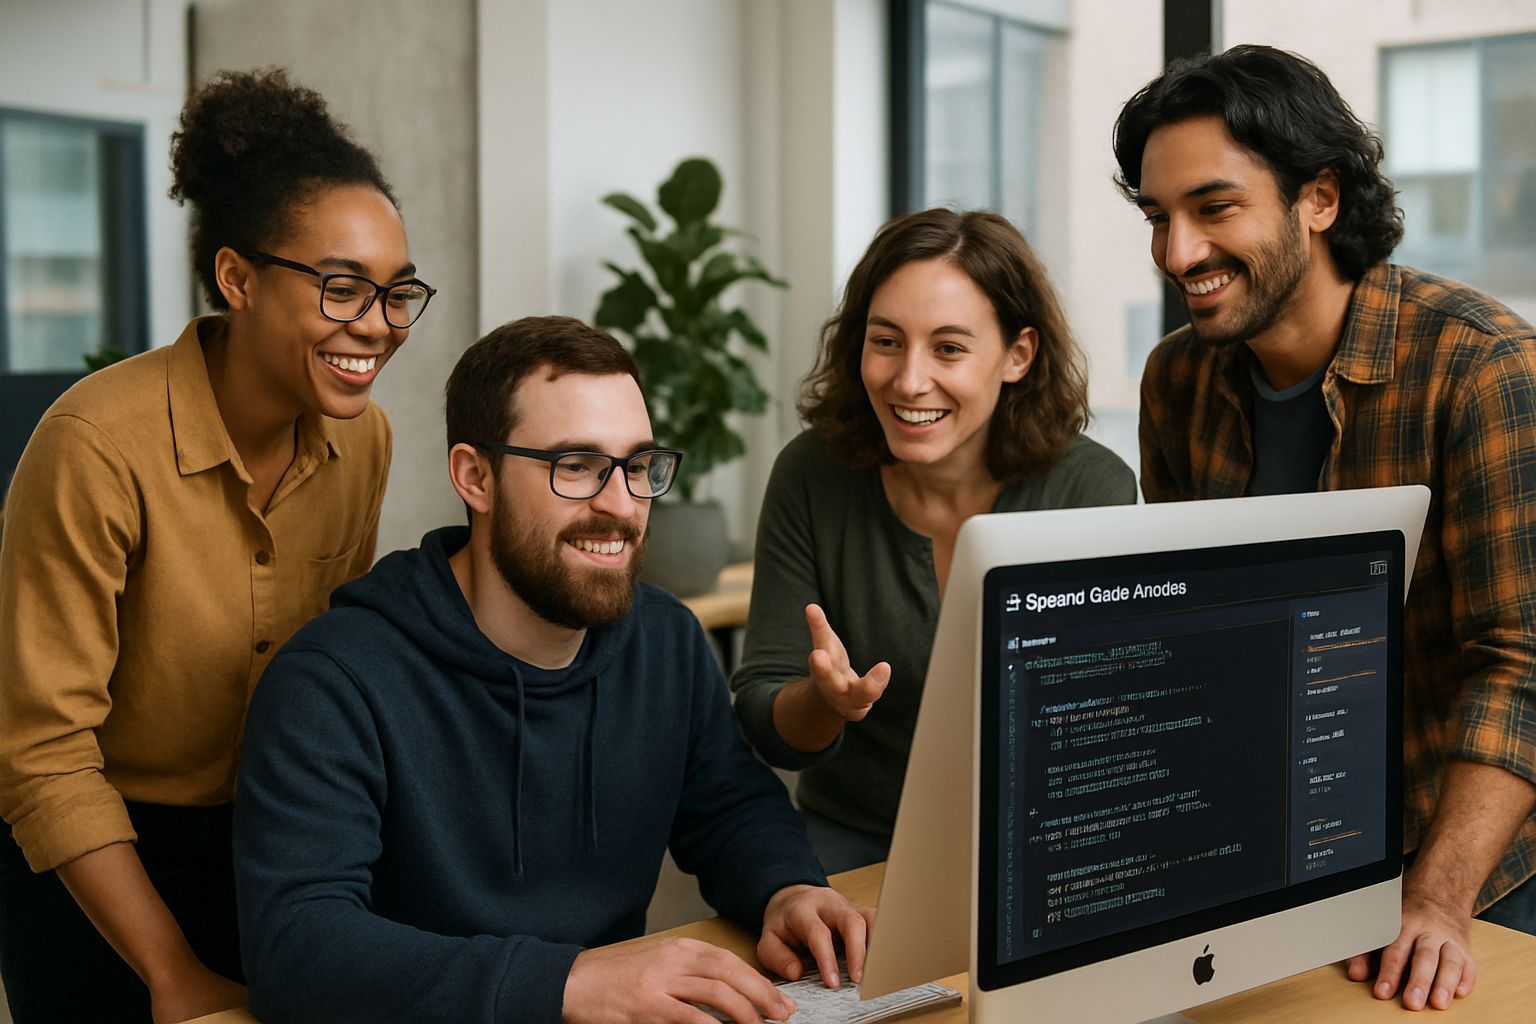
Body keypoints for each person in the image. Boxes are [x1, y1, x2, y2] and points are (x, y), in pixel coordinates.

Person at [232, 315, 870, 1024]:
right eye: (576, 466)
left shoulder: (664, 640)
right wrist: (566, 982)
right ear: (475, 476)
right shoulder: (334, 681)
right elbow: (298, 950)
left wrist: (786, 889)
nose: (622, 504)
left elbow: (727, 806)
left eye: (637, 466)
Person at [0, 69, 432, 1023]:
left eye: (398, 292)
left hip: (275, 842)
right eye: (342, 287)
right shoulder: (96, 447)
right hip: (99, 858)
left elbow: (334, 666)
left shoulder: (364, 437)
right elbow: (41, 756)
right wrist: (169, 970)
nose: (378, 324)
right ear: (237, 277)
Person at [1114, 43, 1536, 1012]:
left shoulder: (1482, 366)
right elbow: (1196, 642)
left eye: (1214, 208)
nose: (1178, 253)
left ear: (1321, 197)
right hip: (1277, 853)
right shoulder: (1176, 378)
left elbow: (1523, 663)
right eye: (1156, 217)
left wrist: (1434, 896)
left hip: (1474, 873)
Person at [731, 208, 1138, 872]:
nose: (909, 380)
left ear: (1017, 355)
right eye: (886, 341)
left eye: (948, 348)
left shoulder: (1091, 489)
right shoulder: (813, 473)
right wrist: (823, 704)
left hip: (1041, 839)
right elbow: (762, 719)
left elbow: (1104, 728)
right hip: (856, 837)